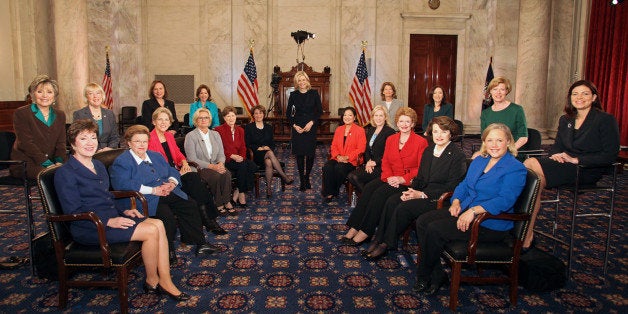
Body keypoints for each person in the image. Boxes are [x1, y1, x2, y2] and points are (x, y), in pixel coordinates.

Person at [55, 119, 190, 301]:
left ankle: (160, 280)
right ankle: (155, 280)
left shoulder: (98, 165)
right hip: (90, 227)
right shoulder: (66, 172)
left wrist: (124, 211)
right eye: (83, 138)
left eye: (93, 137)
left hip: (110, 218)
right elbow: (73, 210)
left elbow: (108, 197)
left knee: (158, 224)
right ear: (72, 143)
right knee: (151, 230)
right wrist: (109, 221)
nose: (90, 143)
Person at [413, 123, 527, 296]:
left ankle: (425, 276)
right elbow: (464, 184)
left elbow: (505, 200)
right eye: (490, 140)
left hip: (490, 223)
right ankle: (438, 273)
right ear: (484, 142)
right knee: (422, 221)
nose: (494, 145)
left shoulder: (515, 167)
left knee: (434, 229)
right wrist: (457, 201)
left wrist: (473, 211)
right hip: (465, 209)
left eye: (499, 140)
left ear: (508, 142)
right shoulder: (480, 160)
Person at [522, 80, 620, 248]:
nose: (579, 97)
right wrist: (556, 155)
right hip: (563, 165)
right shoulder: (566, 119)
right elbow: (556, 148)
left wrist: (577, 160)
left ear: (594, 97)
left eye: (585, 93)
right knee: (535, 181)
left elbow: (610, 155)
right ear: (570, 98)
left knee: (530, 166)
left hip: (586, 169)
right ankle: (526, 235)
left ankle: (522, 232)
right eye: (575, 94)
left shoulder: (604, 120)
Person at [109, 125, 217, 263]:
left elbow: (171, 171)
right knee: (166, 216)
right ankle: (168, 252)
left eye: (144, 141)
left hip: (166, 191)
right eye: (137, 141)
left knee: (189, 204)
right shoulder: (122, 161)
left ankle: (200, 243)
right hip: (144, 199)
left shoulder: (155, 155)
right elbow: (122, 184)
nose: (142, 145)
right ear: (129, 143)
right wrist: (153, 190)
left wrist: (172, 183)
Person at [363, 116, 467, 260]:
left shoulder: (457, 155)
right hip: (421, 190)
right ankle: (378, 239)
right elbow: (421, 177)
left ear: (451, 133)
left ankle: (386, 244)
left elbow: (453, 186)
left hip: (439, 198)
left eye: (444, 132)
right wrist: (412, 190)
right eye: (436, 132)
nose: (439, 135)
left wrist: (421, 194)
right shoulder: (429, 150)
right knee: (393, 200)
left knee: (403, 208)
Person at [342, 107, 428, 245]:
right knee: (369, 188)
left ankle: (366, 231)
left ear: (413, 124)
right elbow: (386, 161)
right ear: (397, 122)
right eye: (401, 121)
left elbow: (421, 168)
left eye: (408, 121)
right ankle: (354, 226)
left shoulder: (420, 142)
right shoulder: (392, 139)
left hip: (406, 181)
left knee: (379, 194)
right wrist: (388, 177)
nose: (404, 124)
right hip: (390, 177)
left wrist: (402, 179)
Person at [148, 107, 227, 234]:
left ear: (170, 122)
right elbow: (152, 165)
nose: (163, 122)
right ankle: (209, 221)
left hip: (177, 172)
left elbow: (178, 154)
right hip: (164, 177)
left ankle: (209, 220)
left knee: (195, 181)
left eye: (166, 120)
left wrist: (184, 162)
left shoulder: (168, 136)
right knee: (195, 184)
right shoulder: (149, 139)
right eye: (160, 119)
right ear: (154, 122)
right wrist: (176, 174)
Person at [10, 75, 66, 179]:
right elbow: (26, 143)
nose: (45, 95)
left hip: (52, 160)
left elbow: (61, 143)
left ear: (54, 96)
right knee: (54, 175)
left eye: (49, 92)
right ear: (33, 94)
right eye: (40, 91)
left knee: (75, 169)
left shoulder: (60, 115)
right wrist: (46, 163)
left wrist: (59, 161)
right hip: (27, 162)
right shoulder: (22, 113)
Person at [184, 108, 236, 214]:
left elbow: (221, 153)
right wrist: (212, 166)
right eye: (201, 118)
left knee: (226, 173)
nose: (204, 120)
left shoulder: (215, 134)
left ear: (210, 119)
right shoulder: (191, 136)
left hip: (216, 164)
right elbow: (192, 158)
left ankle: (227, 201)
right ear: (196, 120)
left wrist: (221, 163)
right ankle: (218, 204)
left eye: (206, 117)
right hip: (200, 167)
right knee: (215, 176)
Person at [244, 105, 293, 198]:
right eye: (256, 113)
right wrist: (258, 148)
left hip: (267, 153)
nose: (258, 115)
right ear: (253, 115)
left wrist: (268, 147)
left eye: (260, 113)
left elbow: (272, 143)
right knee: (270, 154)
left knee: (269, 161)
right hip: (255, 155)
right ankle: (284, 176)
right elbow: (247, 143)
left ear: (264, 114)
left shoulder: (269, 127)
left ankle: (269, 189)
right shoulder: (249, 127)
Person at [346, 105, 396, 193]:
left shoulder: (390, 132)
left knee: (355, 177)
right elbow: (367, 149)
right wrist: (368, 161)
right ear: (373, 117)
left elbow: (389, 154)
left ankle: (367, 197)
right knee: (351, 176)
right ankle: (369, 195)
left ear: (385, 117)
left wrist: (375, 162)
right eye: (376, 115)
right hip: (370, 164)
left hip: (382, 166)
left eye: (381, 116)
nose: (378, 118)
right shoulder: (371, 130)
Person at [321, 107, 366, 203]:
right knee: (327, 167)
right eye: (345, 115)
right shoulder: (339, 129)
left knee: (339, 168)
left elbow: (361, 149)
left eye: (350, 115)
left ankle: (331, 192)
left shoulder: (360, 130)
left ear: (354, 118)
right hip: (338, 157)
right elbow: (333, 146)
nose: (347, 117)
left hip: (351, 160)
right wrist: (337, 156)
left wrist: (347, 157)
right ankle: (330, 192)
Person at [215, 106, 257, 207]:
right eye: (228, 116)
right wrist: (232, 156)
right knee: (244, 166)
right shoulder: (218, 130)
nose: (231, 118)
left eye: (233, 115)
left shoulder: (240, 130)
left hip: (239, 158)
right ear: (224, 118)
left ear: (235, 117)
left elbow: (243, 146)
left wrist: (241, 156)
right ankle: (242, 194)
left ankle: (237, 191)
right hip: (226, 159)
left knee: (252, 166)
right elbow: (219, 149)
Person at [287, 71, 323, 191]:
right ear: (296, 83)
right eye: (299, 80)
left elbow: (319, 111)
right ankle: (302, 180)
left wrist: (312, 122)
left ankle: (307, 177)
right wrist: (294, 125)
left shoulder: (314, 93)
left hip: (310, 126)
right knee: (300, 155)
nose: (301, 82)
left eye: (303, 80)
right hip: (298, 127)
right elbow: (288, 114)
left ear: (307, 81)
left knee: (310, 154)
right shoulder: (293, 95)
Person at [479, 77, 528, 149]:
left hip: (512, 151)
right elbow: (484, 137)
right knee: (475, 157)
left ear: (506, 91)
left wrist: (508, 151)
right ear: (490, 91)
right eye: (495, 89)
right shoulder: (485, 113)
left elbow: (523, 138)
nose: (498, 92)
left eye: (502, 89)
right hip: (492, 151)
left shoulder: (517, 110)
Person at [73, 82, 119, 151]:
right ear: (86, 97)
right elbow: (78, 138)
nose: (95, 96)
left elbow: (115, 136)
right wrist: (96, 150)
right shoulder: (79, 114)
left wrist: (109, 148)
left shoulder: (109, 114)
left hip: (108, 152)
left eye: (98, 93)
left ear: (102, 95)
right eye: (91, 93)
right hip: (88, 151)